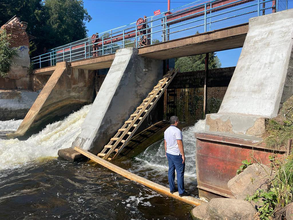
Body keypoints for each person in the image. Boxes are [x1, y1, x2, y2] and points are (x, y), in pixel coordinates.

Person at [164, 116, 188, 197]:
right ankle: (181, 192)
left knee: (171, 171)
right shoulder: (177, 131)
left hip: (169, 153)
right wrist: (183, 155)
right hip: (176, 154)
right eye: (178, 121)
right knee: (180, 172)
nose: (179, 122)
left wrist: (166, 152)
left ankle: (172, 189)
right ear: (176, 121)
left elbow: (165, 142)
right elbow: (179, 142)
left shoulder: (166, 130)